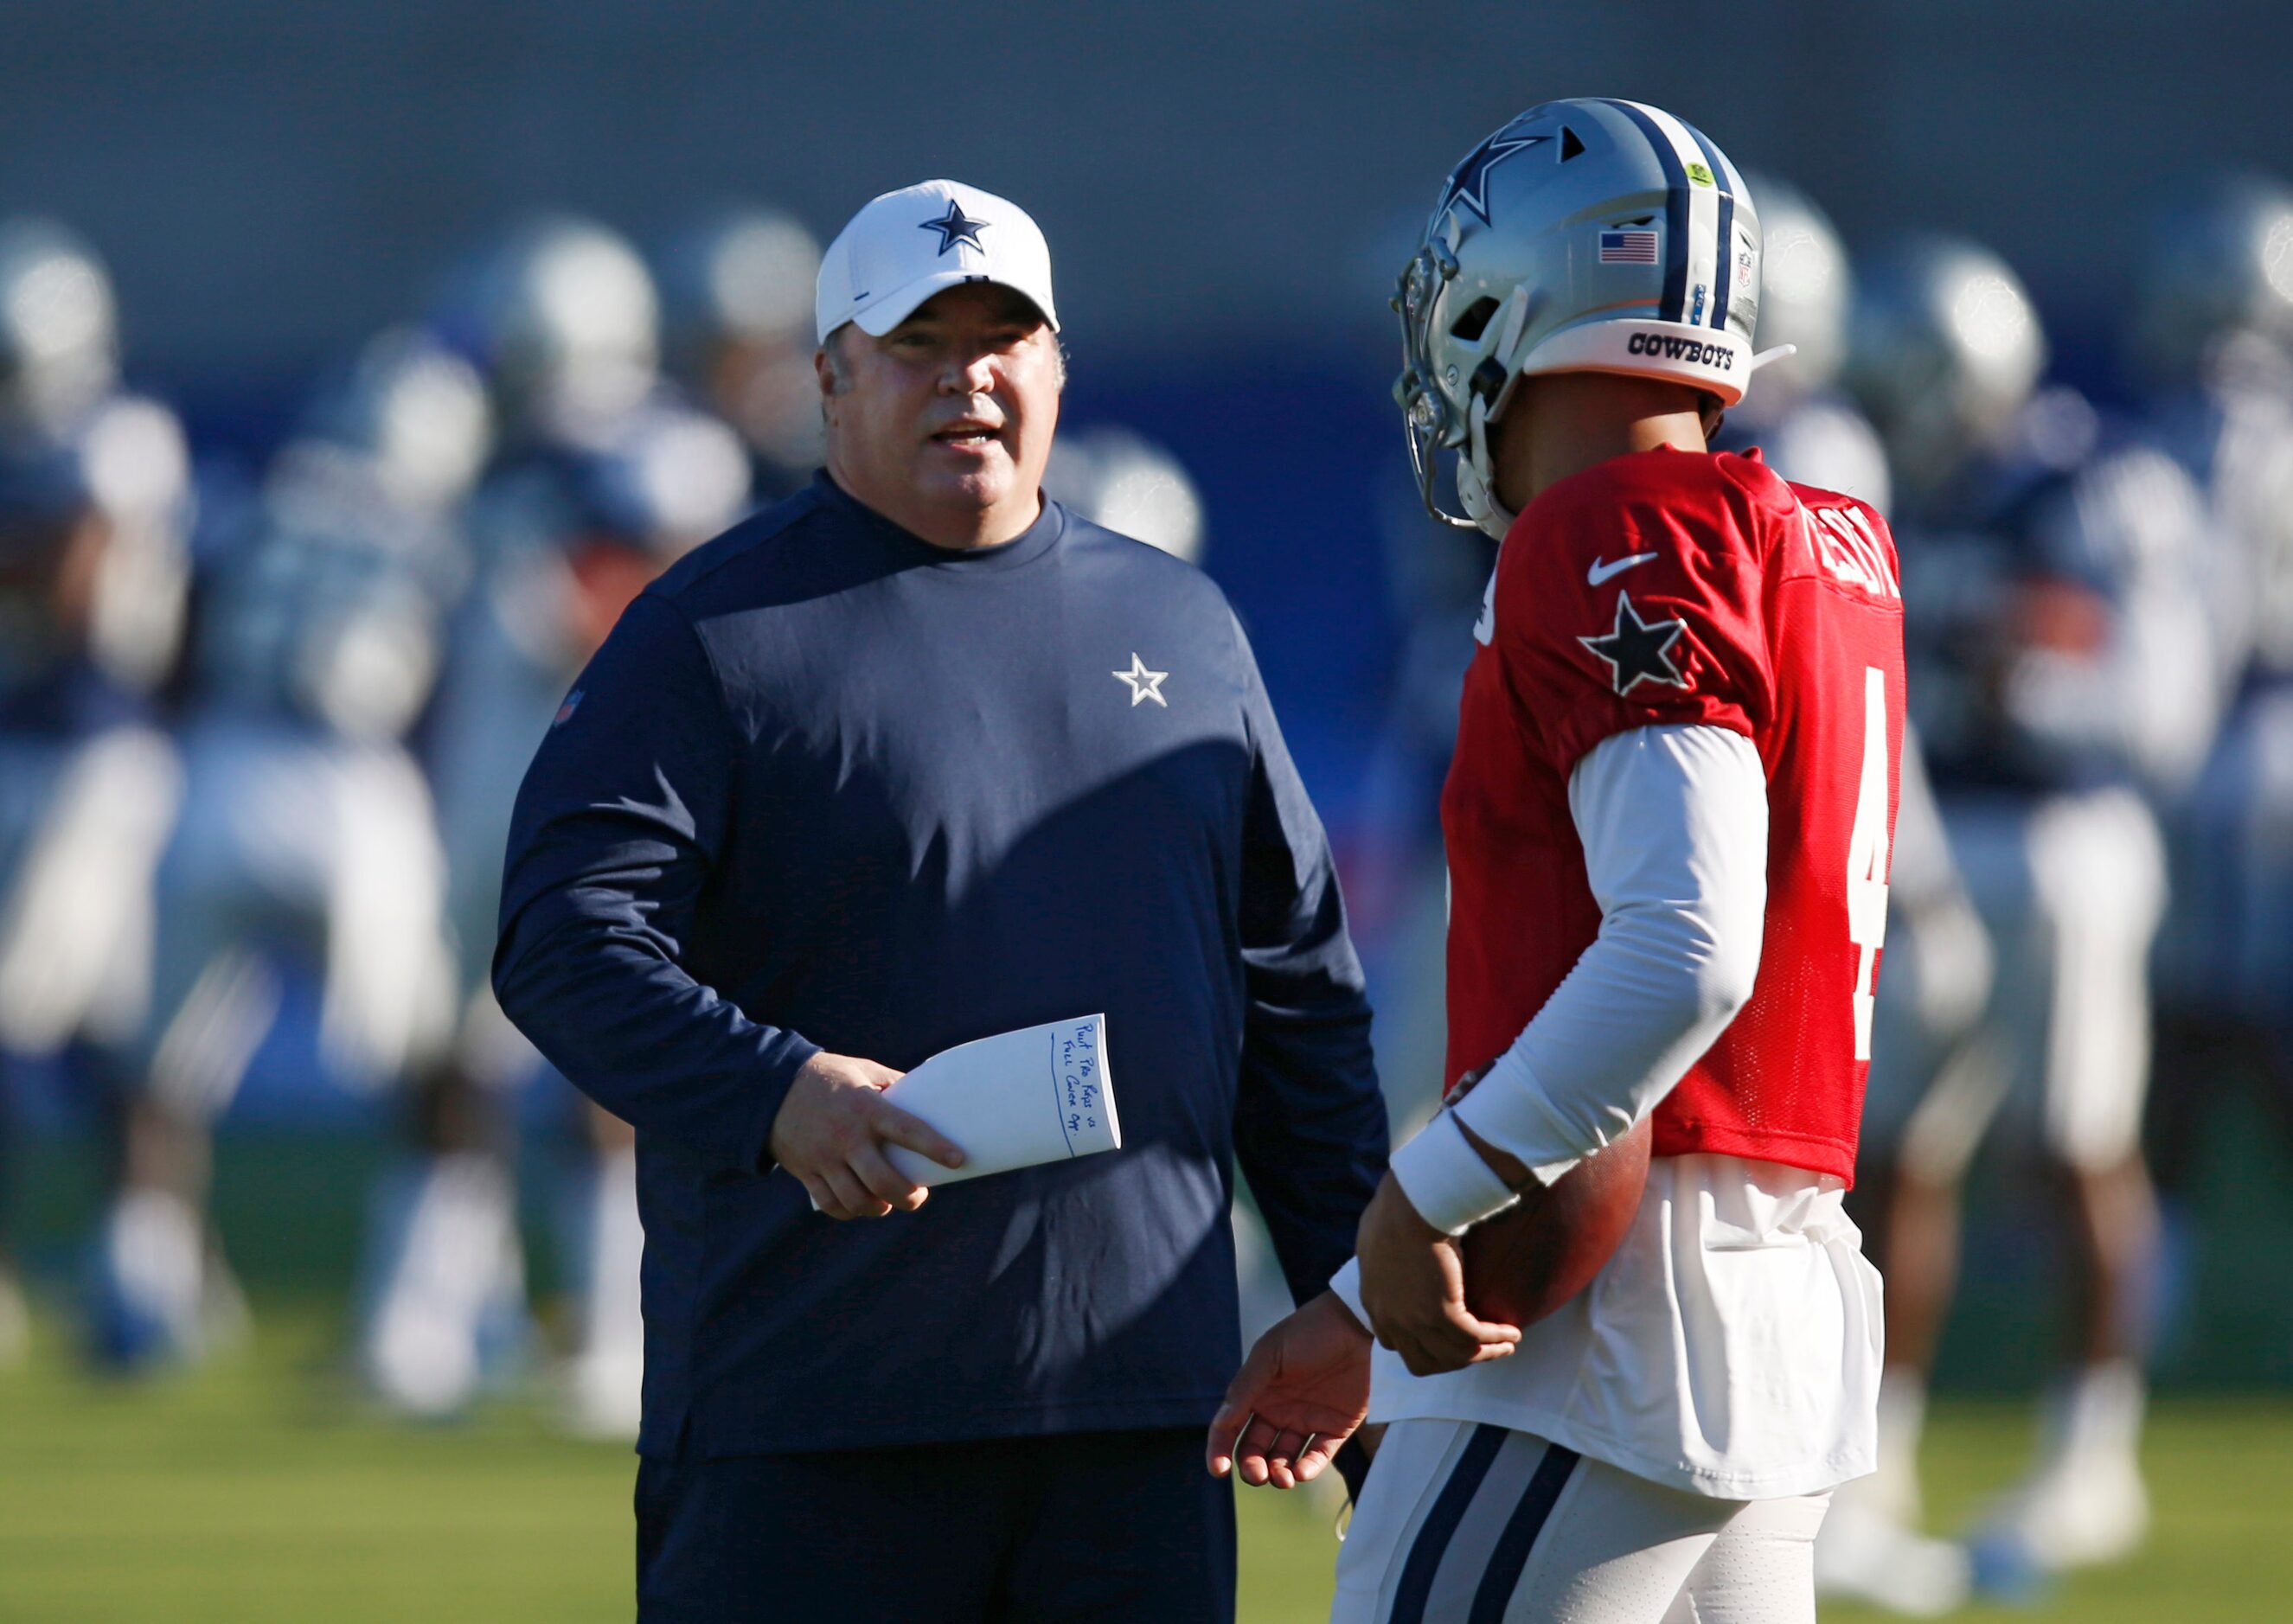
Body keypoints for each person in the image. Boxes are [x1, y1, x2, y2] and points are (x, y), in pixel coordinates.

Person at [492, 178, 1387, 1621]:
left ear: (1055, 371)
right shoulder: (710, 632)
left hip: (1136, 1420)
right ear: (831, 376)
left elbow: (1297, 997)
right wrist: (775, 1088)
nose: (968, 376)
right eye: (918, 343)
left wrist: (1354, 1310)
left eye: (1003, 339)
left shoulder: (1181, 622)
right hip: (811, 1414)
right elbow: (560, 934)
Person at [1209, 98, 1903, 1622]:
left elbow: (1684, 949)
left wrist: (1418, 1203)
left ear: (1503, 304)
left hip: (1613, 1320)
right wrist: (1353, 1306)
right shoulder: (1825, 535)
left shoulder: (1613, 531)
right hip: (1765, 1285)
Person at [1842, 237, 2219, 1587]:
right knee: (1895, 1156)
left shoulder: (2096, 485)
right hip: (1929, 846)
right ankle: (1874, 1464)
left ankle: (2089, 1453)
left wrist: (2040, 684)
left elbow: (2168, 697)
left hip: (2065, 838)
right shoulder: (1895, 495)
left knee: (2076, 1147)